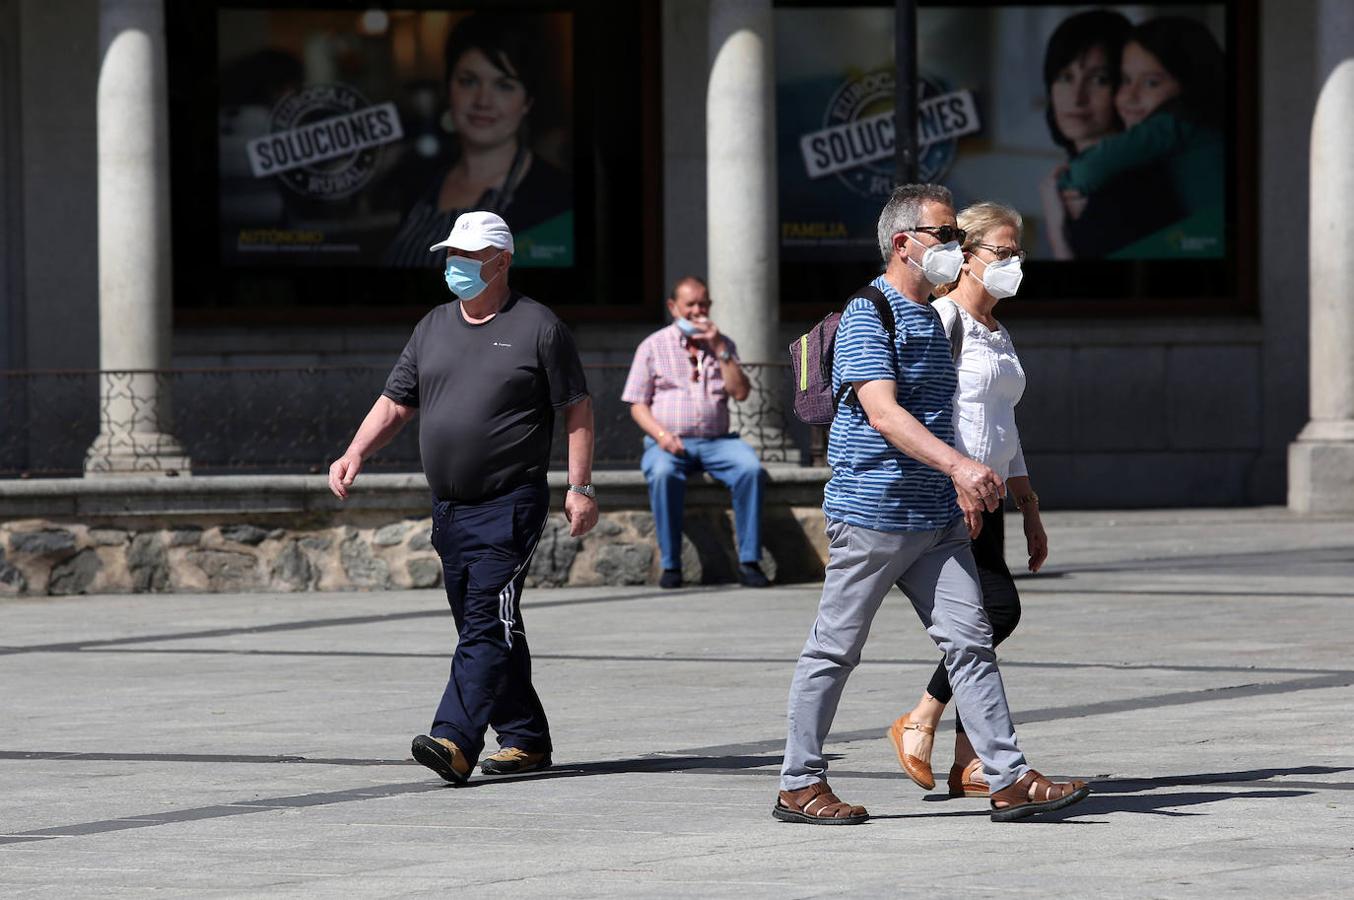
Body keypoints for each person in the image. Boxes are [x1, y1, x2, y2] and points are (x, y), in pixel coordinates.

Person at [774, 184, 1089, 825]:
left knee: (972, 641)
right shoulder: (872, 311)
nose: (954, 247)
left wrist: (972, 486)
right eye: (945, 236)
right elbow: (884, 413)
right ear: (903, 244)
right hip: (872, 516)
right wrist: (959, 466)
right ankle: (798, 784)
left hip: (935, 522)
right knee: (834, 650)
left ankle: (1006, 777)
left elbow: (946, 418)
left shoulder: (930, 317)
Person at [330, 210, 597, 783]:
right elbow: (396, 402)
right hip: (450, 509)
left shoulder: (539, 326)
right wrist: (355, 452)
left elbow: (576, 407)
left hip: (510, 503)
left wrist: (580, 487)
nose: (456, 267)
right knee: (490, 625)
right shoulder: (432, 326)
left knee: (484, 622)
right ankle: (525, 738)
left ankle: (454, 740)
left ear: (502, 262)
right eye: (452, 256)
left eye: (469, 258)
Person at [885, 202, 1049, 800]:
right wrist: (953, 474)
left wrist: (1028, 504)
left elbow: (1003, 419)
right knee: (992, 615)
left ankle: (967, 759)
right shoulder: (944, 319)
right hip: (956, 493)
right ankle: (921, 717)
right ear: (967, 256)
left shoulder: (997, 332)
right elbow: (934, 412)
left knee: (979, 624)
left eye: (1017, 254)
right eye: (1000, 253)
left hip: (994, 492)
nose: (1011, 264)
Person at [383, 14, 571, 267]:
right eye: (468, 81)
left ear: (527, 101)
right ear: (449, 88)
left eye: (504, 85)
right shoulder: (420, 180)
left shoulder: (555, 199)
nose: (483, 101)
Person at [620, 276, 770, 589]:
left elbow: (740, 392)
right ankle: (672, 565)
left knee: (750, 470)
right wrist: (662, 436)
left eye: (703, 303)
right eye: (691, 304)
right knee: (662, 474)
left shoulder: (723, 344)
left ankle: (749, 561)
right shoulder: (653, 346)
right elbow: (636, 404)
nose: (698, 310)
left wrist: (719, 349)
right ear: (674, 307)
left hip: (717, 442)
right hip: (668, 442)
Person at [1055, 16, 1226, 254]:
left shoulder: (1175, 121)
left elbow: (1087, 170)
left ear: (1190, 84)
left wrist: (1062, 186)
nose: (1129, 96)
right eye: (1125, 80)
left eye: (1152, 83)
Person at [1037, 9, 1180, 259]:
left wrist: (1056, 231)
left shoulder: (1137, 191)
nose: (1077, 97)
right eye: (1065, 77)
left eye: (1098, 79)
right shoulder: (1073, 181)